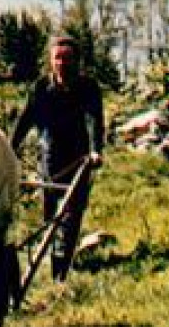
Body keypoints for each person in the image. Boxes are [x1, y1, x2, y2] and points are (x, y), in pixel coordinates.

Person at [10, 35, 105, 281]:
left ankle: (62, 270)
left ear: (76, 62)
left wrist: (96, 150)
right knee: (50, 217)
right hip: (49, 159)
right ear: (51, 62)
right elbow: (25, 120)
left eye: (67, 59)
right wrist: (9, 149)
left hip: (78, 159)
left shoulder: (87, 87)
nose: (62, 63)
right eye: (57, 58)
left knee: (72, 215)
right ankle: (53, 264)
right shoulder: (42, 88)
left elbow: (95, 119)